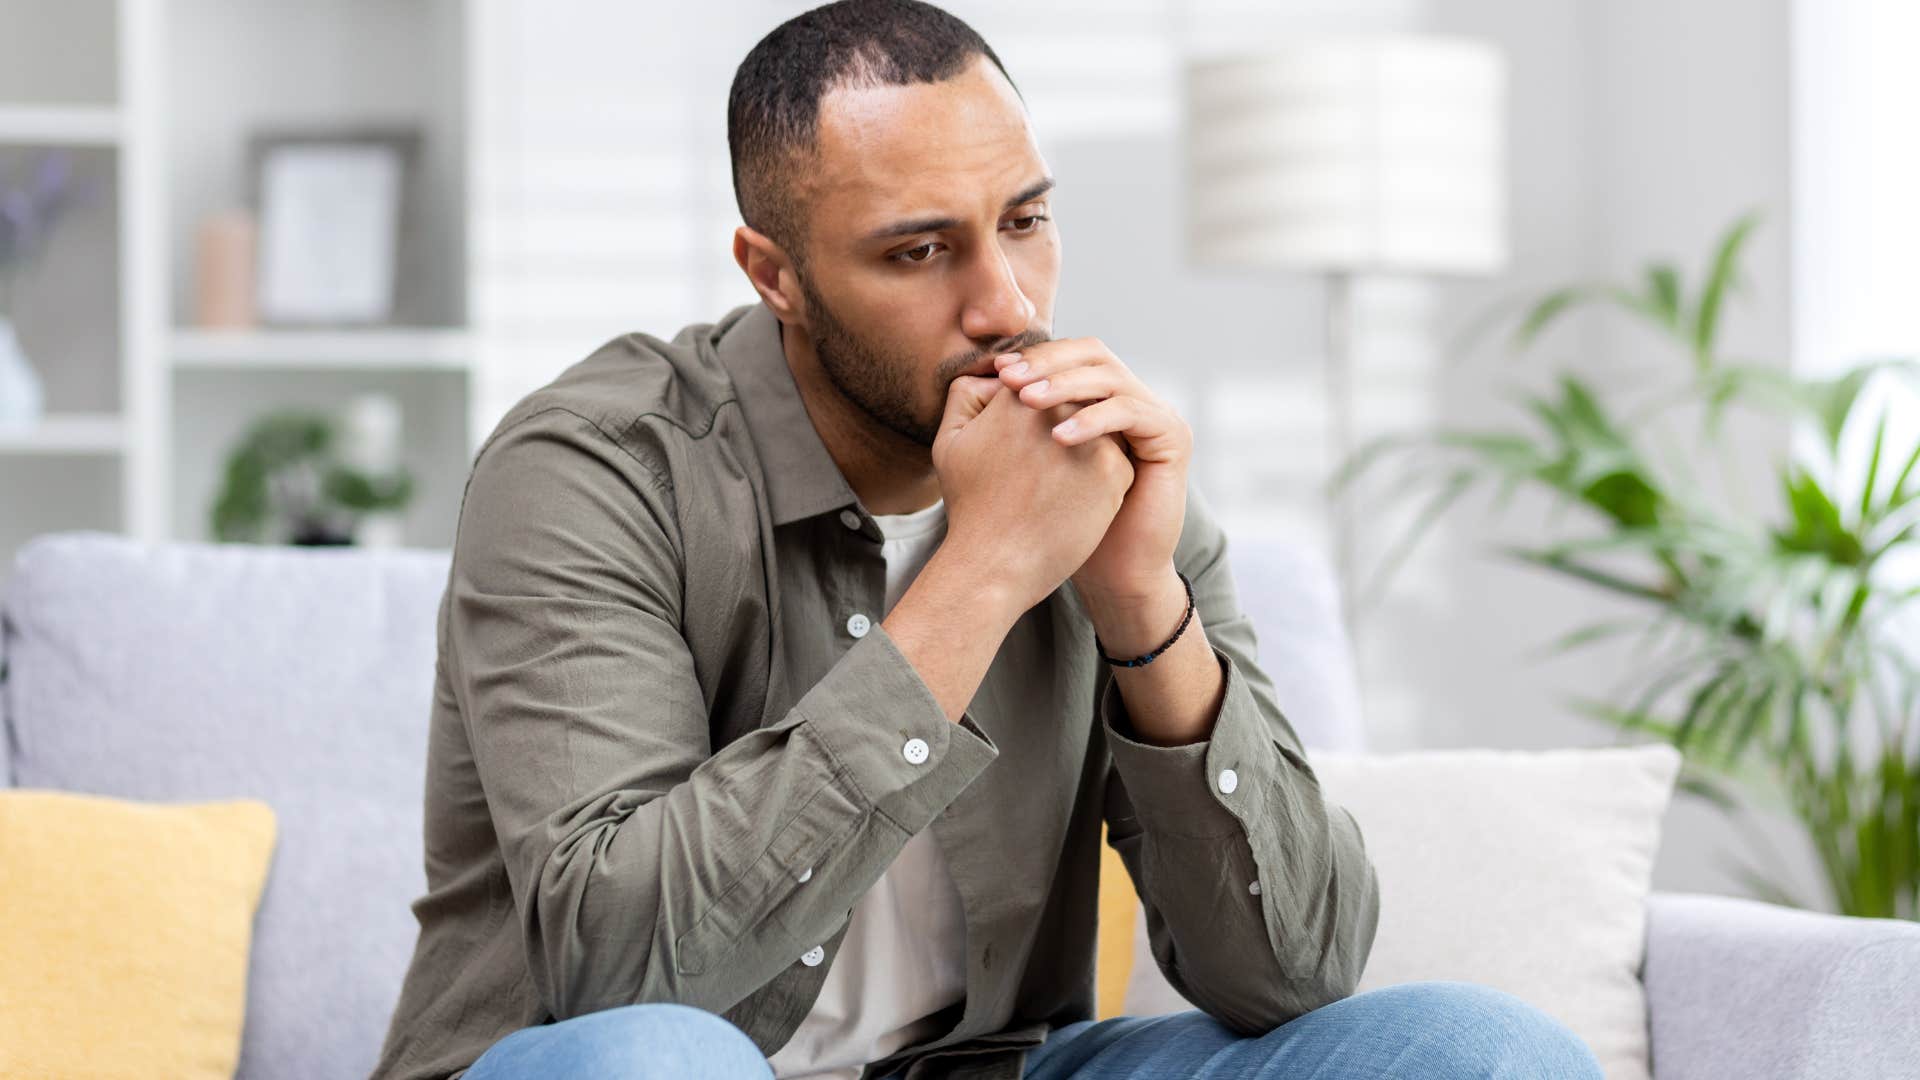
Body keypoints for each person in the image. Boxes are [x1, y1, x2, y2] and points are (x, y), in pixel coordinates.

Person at [370, 2, 1603, 1078]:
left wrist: (1138, 603)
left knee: (1489, 1056)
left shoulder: (1101, 469)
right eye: (919, 250)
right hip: (627, 1061)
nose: (1007, 305)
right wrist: (988, 569)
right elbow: (622, 968)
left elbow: (1297, 975)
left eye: (1025, 221)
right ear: (774, 272)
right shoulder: (594, 469)